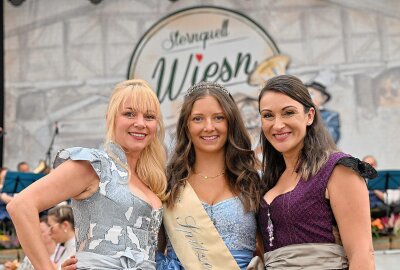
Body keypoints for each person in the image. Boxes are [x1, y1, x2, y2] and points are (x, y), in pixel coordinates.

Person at [7, 79, 168, 269]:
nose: (140, 123)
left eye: (149, 116)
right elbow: (20, 205)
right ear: (111, 118)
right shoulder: (94, 165)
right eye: (129, 114)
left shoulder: (153, 179)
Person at [257, 75, 376, 269]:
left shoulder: (338, 169)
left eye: (288, 113)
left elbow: (362, 255)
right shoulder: (270, 179)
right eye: (268, 115)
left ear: (309, 116)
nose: (277, 125)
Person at [156, 82, 261, 270]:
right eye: (198, 119)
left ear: (230, 122)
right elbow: (153, 250)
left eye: (218, 118)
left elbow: (266, 250)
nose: (209, 127)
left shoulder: (252, 180)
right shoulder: (167, 182)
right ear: (186, 125)